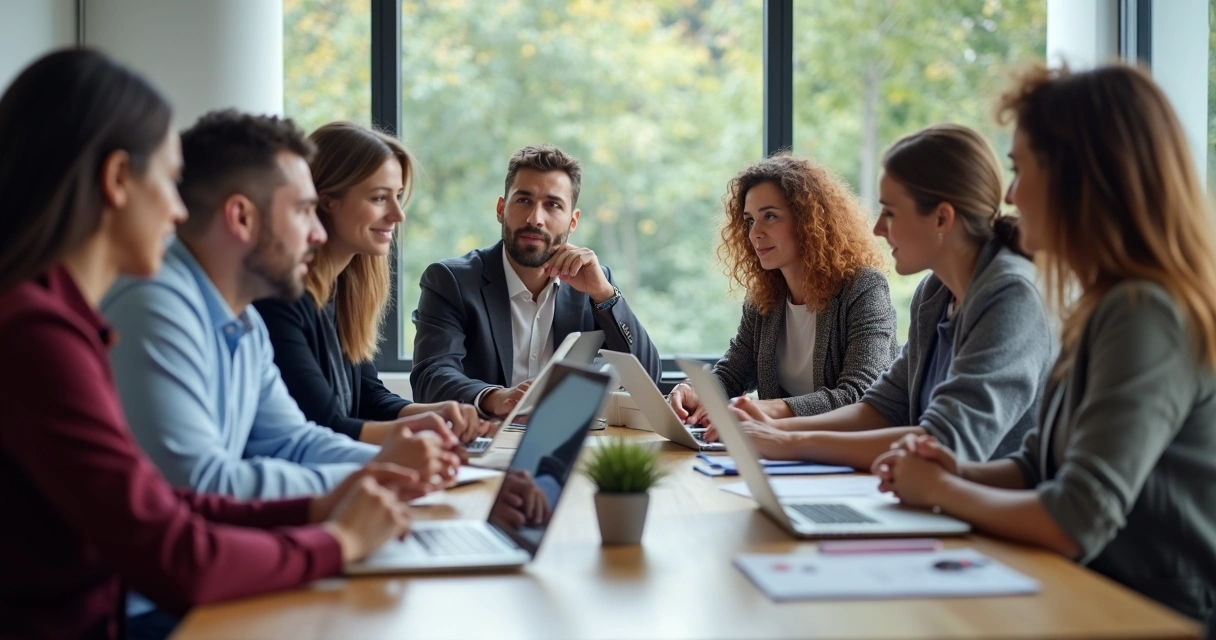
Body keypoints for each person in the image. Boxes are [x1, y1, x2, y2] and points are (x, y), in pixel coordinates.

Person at [0, 48, 424, 640]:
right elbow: (176, 543)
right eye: (169, 184)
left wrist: (324, 505)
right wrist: (338, 537)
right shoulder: (40, 334)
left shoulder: (63, 321)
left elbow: (164, 502)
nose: (178, 211)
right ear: (119, 180)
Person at [875, 63, 1216, 621]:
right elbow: (1036, 469)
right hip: (1089, 598)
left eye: (1020, 169)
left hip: (1150, 615)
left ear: (1082, 178)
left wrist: (942, 488)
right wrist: (950, 471)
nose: (1009, 194)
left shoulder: (1146, 314)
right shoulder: (1101, 306)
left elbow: (1075, 518)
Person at [102, 109, 462, 504]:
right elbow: (198, 483)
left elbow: (295, 441)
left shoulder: (246, 320)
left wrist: (397, 468)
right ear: (241, 217)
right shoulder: (155, 307)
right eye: (303, 210)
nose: (317, 231)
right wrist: (376, 474)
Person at [712, 125, 1054, 471]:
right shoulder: (933, 293)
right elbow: (880, 409)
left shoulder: (1010, 293)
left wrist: (788, 440)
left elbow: (942, 442)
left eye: (890, 212)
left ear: (941, 218)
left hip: (988, 516)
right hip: (941, 506)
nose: (877, 228)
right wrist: (770, 429)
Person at [255, 122, 490, 445]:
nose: (398, 214)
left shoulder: (343, 294)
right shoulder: (281, 301)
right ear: (325, 201)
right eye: (379, 198)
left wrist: (436, 415)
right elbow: (325, 425)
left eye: (397, 197)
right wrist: (422, 433)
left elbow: (368, 397)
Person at [410, 144, 661, 417]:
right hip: (481, 443)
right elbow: (430, 377)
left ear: (572, 221)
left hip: (564, 445)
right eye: (524, 200)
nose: (535, 219)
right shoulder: (451, 281)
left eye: (552, 205)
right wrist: (495, 398)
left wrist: (604, 295)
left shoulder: (592, 285)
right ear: (500, 209)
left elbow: (649, 380)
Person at [667, 154, 898, 424]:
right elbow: (732, 373)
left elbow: (859, 396)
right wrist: (696, 392)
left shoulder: (863, 288)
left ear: (809, 220)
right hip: (783, 453)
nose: (754, 233)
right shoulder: (764, 296)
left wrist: (764, 410)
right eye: (750, 220)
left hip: (850, 457)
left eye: (770, 216)